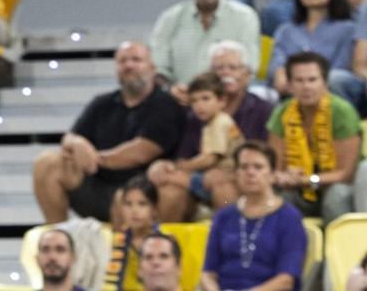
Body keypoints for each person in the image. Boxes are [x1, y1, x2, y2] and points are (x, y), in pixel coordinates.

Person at [32, 42, 183, 223]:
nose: (129, 65)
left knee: (148, 194)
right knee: (47, 162)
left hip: (143, 191)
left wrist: (94, 158)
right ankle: (58, 236)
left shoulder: (166, 104)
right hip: (97, 188)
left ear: (152, 69)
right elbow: (70, 137)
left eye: (136, 60)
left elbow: (142, 151)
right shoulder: (102, 103)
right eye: (122, 61)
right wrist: (77, 144)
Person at [267, 52, 367, 221]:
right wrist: (282, 176)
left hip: (340, 188)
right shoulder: (281, 113)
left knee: (336, 196)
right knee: (277, 199)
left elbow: (345, 174)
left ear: (325, 83)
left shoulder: (342, 111)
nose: (306, 87)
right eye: (299, 80)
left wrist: (306, 180)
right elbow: (275, 166)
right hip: (299, 188)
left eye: (312, 80)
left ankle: (340, 246)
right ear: (290, 85)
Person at [201, 142, 306, 291]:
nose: (250, 172)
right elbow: (208, 273)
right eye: (244, 167)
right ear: (236, 173)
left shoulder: (289, 217)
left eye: (258, 167)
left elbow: (286, 279)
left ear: (273, 174)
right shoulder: (223, 216)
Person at [151, 0, 261, 95]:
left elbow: (249, 69)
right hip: (181, 102)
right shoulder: (169, 19)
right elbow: (157, 70)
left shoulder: (245, 17)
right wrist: (171, 90)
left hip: (228, 101)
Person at [149, 72, 242, 221]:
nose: (200, 105)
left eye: (206, 98)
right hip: (217, 177)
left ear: (222, 100)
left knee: (169, 175)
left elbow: (209, 159)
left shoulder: (219, 122)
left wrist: (180, 166)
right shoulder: (215, 122)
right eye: (194, 101)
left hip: (223, 179)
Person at [269, 0, 358, 102]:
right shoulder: (285, 30)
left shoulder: (347, 29)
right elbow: (278, 63)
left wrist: (311, 83)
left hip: (330, 92)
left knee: (336, 78)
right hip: (290, 89)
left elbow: (342, 66)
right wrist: (281, 75)